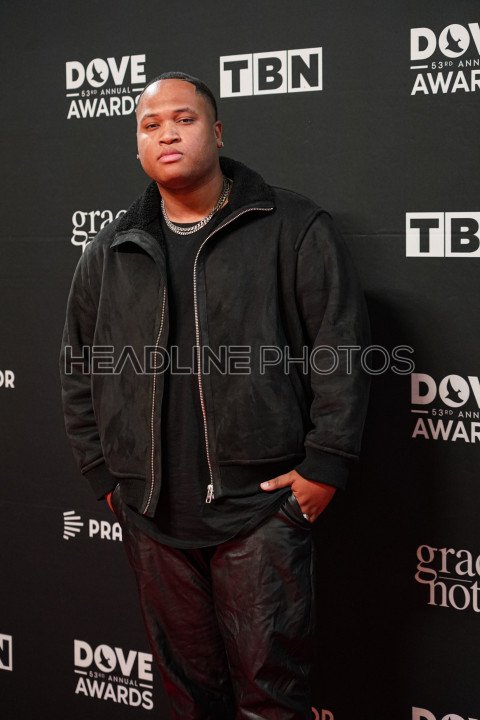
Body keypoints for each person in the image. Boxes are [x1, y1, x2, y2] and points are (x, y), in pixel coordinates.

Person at [59, 71, 370, 720]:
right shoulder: (109, 249)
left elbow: (339, 349)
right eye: (151, 125)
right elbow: (80, 367)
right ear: (138, 145)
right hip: (153, 518)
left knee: (272, 701)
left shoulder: (292, 225)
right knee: (189, 702)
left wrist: (325, 465)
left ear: (218, 131)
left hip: (261, 512)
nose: (167, 133)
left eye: (184, 118)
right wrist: (104, 473)